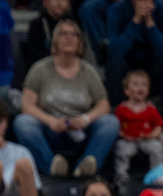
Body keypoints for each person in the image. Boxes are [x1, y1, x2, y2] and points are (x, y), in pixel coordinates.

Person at [14, 19, 119, 178]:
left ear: (80, 42)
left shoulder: (89, 71)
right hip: (50, 128)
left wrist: (85, 119)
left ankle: (85, 167)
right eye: (64, 34)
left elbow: (103, 104)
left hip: (80, 130)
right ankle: (52, 167)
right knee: (23, 122)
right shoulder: (40, 69)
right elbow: (27, 105)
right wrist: (51, 121)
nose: (69, 38)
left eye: (74, 34)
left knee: (111, 122)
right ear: (55, 40)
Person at [105, 0, 163, 105]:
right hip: (127, 65)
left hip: (152, 64)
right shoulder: (116, 9)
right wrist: (135, 21)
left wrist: (150, 24)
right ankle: (117, 110)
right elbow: (115, 51)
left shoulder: (160, 7)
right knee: (114, 62)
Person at [113, 70, 163, 182]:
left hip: (146, 139)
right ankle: (121, 177)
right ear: (126, 90)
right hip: (127, 139)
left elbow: (158, 126)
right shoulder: (121, 109)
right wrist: (123, 135)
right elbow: (116, 126)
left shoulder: (151, 108)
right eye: (135, 84)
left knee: (157, 148)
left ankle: (156, 176)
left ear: (148, 90)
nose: (140, 87)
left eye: (144, 85)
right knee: (121, 149)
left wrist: (152, 135)